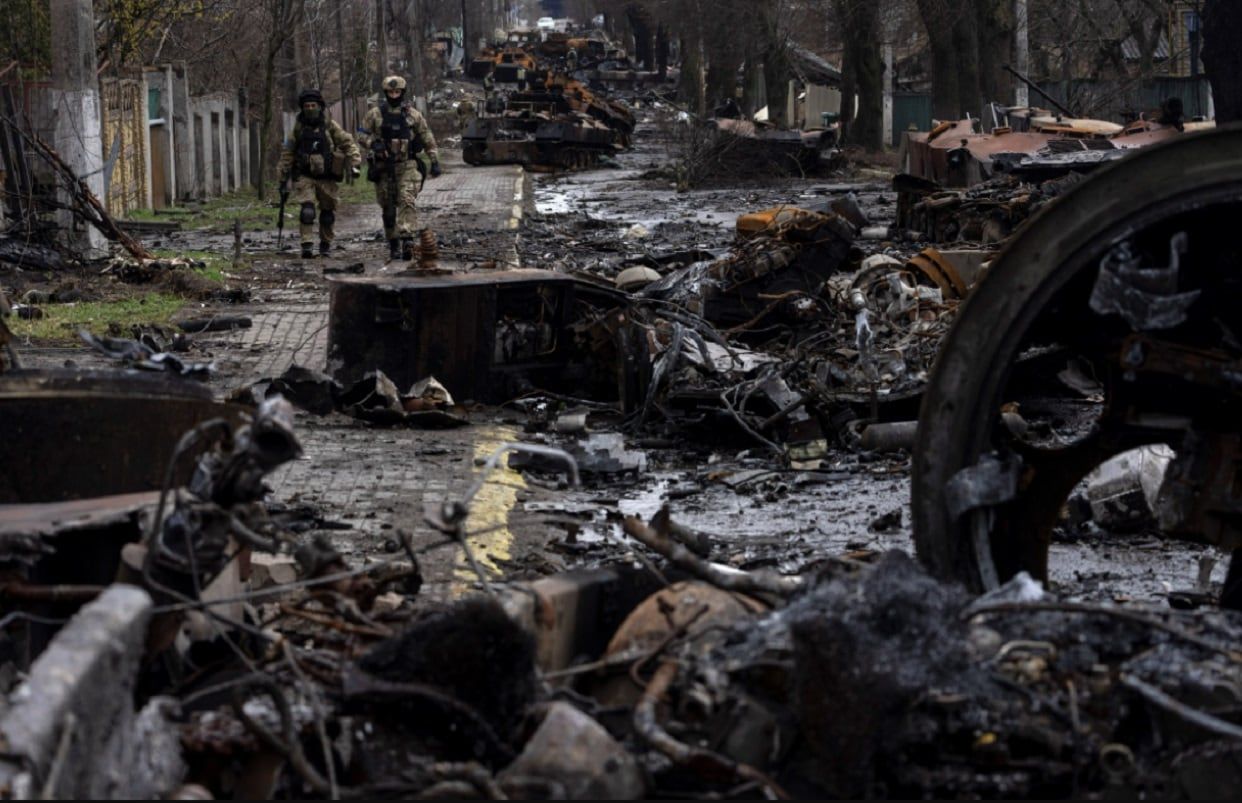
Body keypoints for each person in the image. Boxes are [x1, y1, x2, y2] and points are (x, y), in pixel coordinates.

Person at [362, 75, 441, 261]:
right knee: (388, 209)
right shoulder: (375, 114)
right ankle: (393, 243)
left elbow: (427, 136)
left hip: (408, 165)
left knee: (407, 200)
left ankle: (407, 239)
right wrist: (373, 144)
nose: (394, 95)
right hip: (384, 168)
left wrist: (434, 160)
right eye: (390, 92)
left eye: (397, 92)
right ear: (386, 93)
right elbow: (360, 134)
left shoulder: (413, 115)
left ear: (403, 93)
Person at [277, 89, 361, 259]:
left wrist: (355, 162)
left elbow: (347, 142)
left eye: (313, 105)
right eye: (306, 106)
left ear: (319, 106)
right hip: (305, 175)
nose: (310, 109)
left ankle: (325, 244)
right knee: (307, 211)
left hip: (327, 176)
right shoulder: (298, 128)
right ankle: (307, 244)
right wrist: (283, 175)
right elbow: (287, 152)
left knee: (327, 213)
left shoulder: (330, 125)